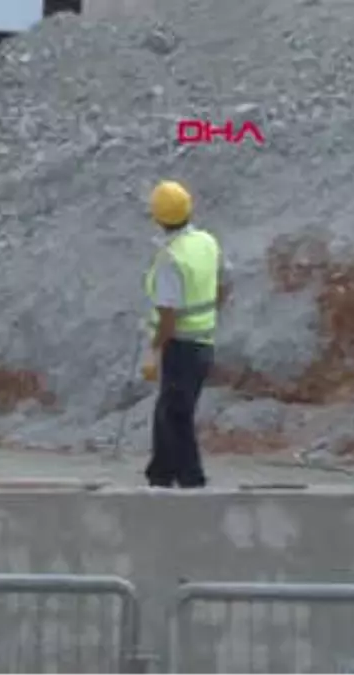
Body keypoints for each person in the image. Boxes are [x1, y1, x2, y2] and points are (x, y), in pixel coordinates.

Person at [141, 180, 232, 488]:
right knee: (168, 408)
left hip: (180, 345)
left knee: (176, 415)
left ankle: (193, 481)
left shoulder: (171, 258)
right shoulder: (206, 242)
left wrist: (154, 351)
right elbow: (223, 285)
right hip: (203, 342)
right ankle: (160, 473)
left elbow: (168, 315)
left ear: (157, 217)